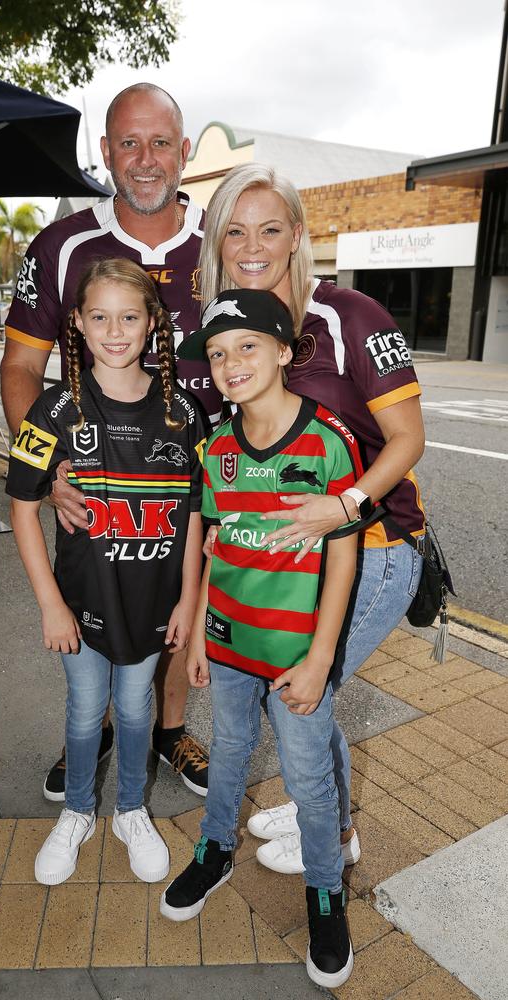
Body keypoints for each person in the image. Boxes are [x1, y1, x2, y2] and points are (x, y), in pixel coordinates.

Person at [198, 163, 425, 874]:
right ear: (219, 244)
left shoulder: (349, 316)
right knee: (288, 692)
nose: (253, 244)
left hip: (371, 548)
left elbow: (409, 438)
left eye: (270, 227)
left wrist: (345, 504)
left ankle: (336, 829)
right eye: (235, 231)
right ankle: (316, 806)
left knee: (300, 690)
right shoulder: (227, 330)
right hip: (278, 565)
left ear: (297, 235)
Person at [2, 83, 221, 801]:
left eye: (162, 142)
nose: (146, 159)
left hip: (198, 471)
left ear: (185, 152)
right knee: (101, 605)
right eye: (129, 142)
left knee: (181, 597)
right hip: (96, 478)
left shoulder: (223, 244)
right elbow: (23, 364)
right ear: (106, 152)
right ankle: (91, 732)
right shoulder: (63, 245)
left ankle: (167, 730)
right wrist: (52, 469)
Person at [160, 288, 362, 989]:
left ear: (283, 351)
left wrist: (320, 658)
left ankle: (326, 894)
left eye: (246, 345)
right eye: (216, 353)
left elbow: (342, 555)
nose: (230, 362)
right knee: (231, 752)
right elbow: (212, 545)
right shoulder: (215, 447)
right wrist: (196, 642)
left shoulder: (327, 441)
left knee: (309, 781)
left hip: (295, 657)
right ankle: (215, 850)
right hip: (230, 643)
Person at [5, 259, 205, 886]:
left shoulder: (186, 413)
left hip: (155, 601)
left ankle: (129, 810)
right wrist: (50, 604)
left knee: (138, 711)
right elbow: (21, 507)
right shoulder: (52, 409)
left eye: (129, 317)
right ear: (79, 328)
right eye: (100, 317)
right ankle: (78, 812)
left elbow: (198, 518)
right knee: (87, 709)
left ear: (152, 324)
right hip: (83, 602)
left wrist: (187, 603)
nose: (115, 331)